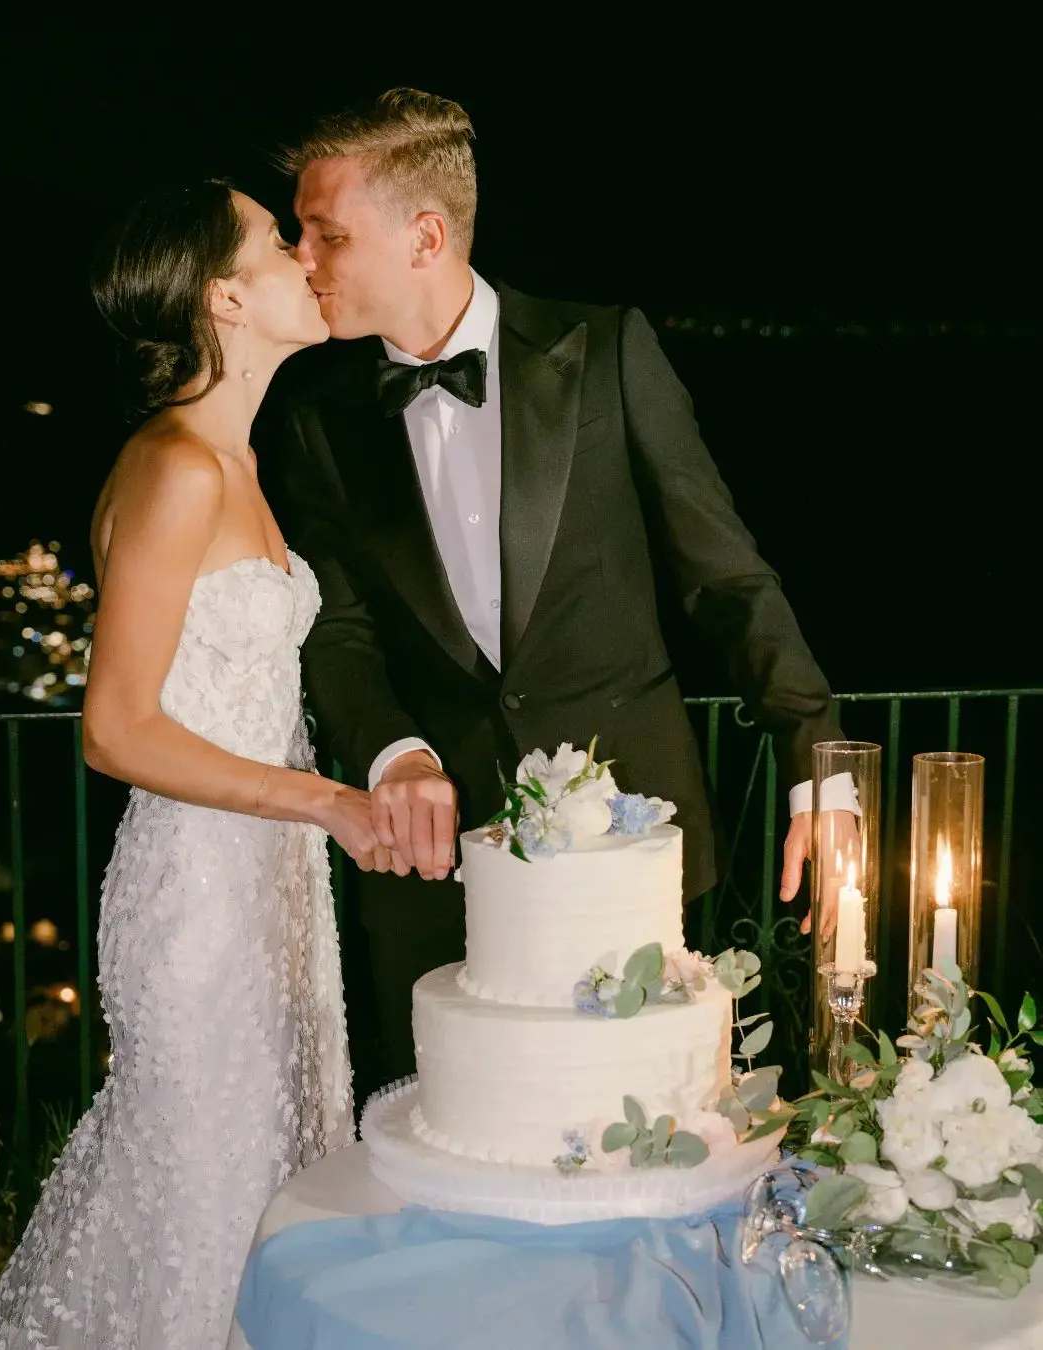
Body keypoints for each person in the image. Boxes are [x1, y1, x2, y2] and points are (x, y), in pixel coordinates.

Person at [254, 88, 847, 1105]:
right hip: (431, 878)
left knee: (651, 1133)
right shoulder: (318, 422)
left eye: (327, 234)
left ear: (424, 236)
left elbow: (726, 577)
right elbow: (339, 632)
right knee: (456, 1146)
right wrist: (394, 753)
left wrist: (817, 763)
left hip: (634, 854)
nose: (302, 259)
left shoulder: (607, 351)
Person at [0, 181, 397, 1350]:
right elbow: (115, 729)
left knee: (273, 1195)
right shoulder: (179, 467)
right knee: (208, 1209)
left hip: (273, 889)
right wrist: (328, 801)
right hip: (200, 902)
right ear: (225, 298)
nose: (307, 256)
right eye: (277, 242)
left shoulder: (236, 459)